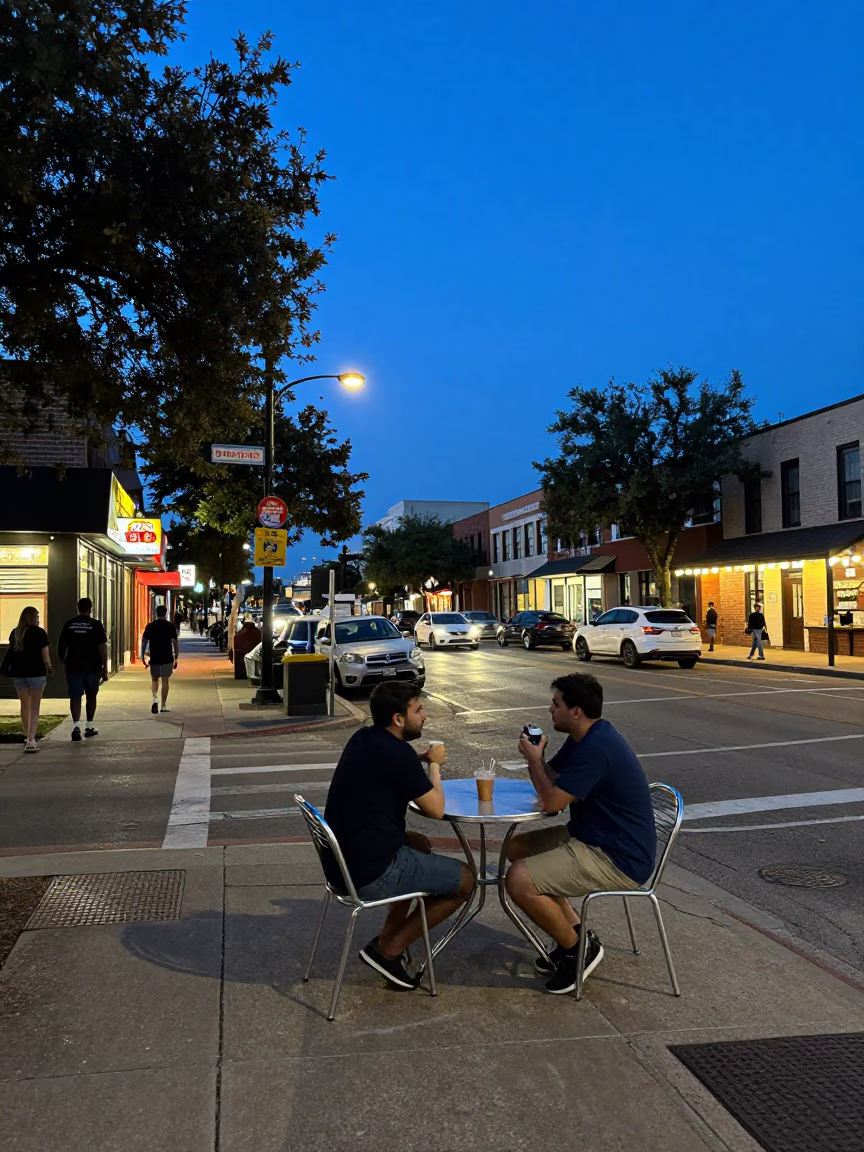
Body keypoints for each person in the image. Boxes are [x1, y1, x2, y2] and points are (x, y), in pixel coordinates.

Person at [504, 673, 657, 995]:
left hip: (617, 856)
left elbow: (551, 802)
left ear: (576, 711)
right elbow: (554, 778)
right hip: (593, 837)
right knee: (517, 847)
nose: (550, 709)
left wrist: (533, 762)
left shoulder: (596, 748)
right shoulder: (584, 738)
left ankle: (575, 952)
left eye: (556, 703)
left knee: (519, 880)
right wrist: (539, 757)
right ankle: (577, 932)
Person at [323, 681, 473, 990]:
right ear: (398, 719)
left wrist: (416, 758)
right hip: (369, 873)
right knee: (466, 881)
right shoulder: (397, 754)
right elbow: (435, 809)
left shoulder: (364, 738)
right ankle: (389, 950)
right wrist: (434, 764)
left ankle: (391, 934)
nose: (425, 715)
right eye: (418, 710)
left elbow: (391, 765)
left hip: (341, 866)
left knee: (419, 843)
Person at [57, 597, 109, 742]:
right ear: (90, 608)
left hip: (73, 667)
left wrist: (64, 660)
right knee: (91, 695)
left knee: (75, 696)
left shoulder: (69, 624)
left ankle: (75, 727)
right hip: (93, 667)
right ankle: (89, 725)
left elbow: (61, 645)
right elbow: (102, 647)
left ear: (78, 607)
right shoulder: (96, 624)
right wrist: (104, 667)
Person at [5, 606, 52, 753]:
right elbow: (45, 655)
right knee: (34, 707)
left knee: (24, 705)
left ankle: (27, 736)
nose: (38, 619)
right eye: (37, 617)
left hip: (19, 674)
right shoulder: (40, 633)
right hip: (36, 673)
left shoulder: (15, 633)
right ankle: (31, 740)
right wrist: (49, 667)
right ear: (32, 618)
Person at [141, 605, 179, 714]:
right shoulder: (170, 626)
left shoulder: (150, 626)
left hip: (155, 657)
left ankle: (154, 698)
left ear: (156, 613)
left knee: (154, 679)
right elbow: (175, 643)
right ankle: (163, 705)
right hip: (167, 657)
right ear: (165, 613)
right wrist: (176, 657)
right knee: (165, 680)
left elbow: (144, 642)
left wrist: (143, 656)